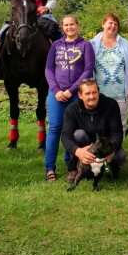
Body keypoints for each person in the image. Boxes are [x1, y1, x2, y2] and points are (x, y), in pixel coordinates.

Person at [43, 15, 95, 182]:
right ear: (62, 28)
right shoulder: (55, 46)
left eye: (72, 24)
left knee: (73, 131)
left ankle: (71, 166)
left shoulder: (85, 45)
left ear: (77, 25)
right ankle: (49, 168)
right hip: (56, 95)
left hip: (75, 95)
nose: (69, 27)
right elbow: (49, 69)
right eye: (66, 25)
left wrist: (71, 90)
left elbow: (88, 70)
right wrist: (56, 90)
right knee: (55, 128)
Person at [61, 79, 126, 182]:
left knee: (120, 155)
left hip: (104, 146)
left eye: (94, 92)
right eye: (87, 93)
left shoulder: (111, 105)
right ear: (80, 95)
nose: (92, 96)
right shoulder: (71, 110)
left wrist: (111, 151)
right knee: (78, 135)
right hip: (85, 145)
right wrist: (78, 151)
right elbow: (65, 136)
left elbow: (117, 133)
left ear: (98, 92)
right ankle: (75, 169)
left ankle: (111, 168)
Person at [90, 13, 128, 133]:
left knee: (120, 125)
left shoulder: (125, 44)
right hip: (99, 94)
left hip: (121, 94)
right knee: (99, 125)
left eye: (115, 24)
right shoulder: (92, 44)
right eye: (110, 23)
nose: (113, 26)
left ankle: (117, 150)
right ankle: (100, 151)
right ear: (103, 24)